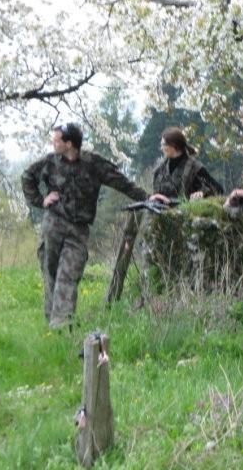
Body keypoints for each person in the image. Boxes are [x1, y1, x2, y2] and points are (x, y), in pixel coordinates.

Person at [22, 122, 166, 330]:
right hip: (53, 225)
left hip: (78, 229)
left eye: (56, 140)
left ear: (69, 144)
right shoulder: (49, 162)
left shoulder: (93, 164)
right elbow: (27, 177)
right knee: (50, 272)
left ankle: (62, 322)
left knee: (70, 273)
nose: (53, 144)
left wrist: (147, 197)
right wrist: (41, 200)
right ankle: (53, 322)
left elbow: (121, 182)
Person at [152, 127, 224, 201]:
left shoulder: (194, 167)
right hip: (158, 210)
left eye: (163, 145)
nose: (161, 148)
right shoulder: (159, 167)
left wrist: (202, 193)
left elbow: (218, 190)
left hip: (184, 211)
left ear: (173, 146)